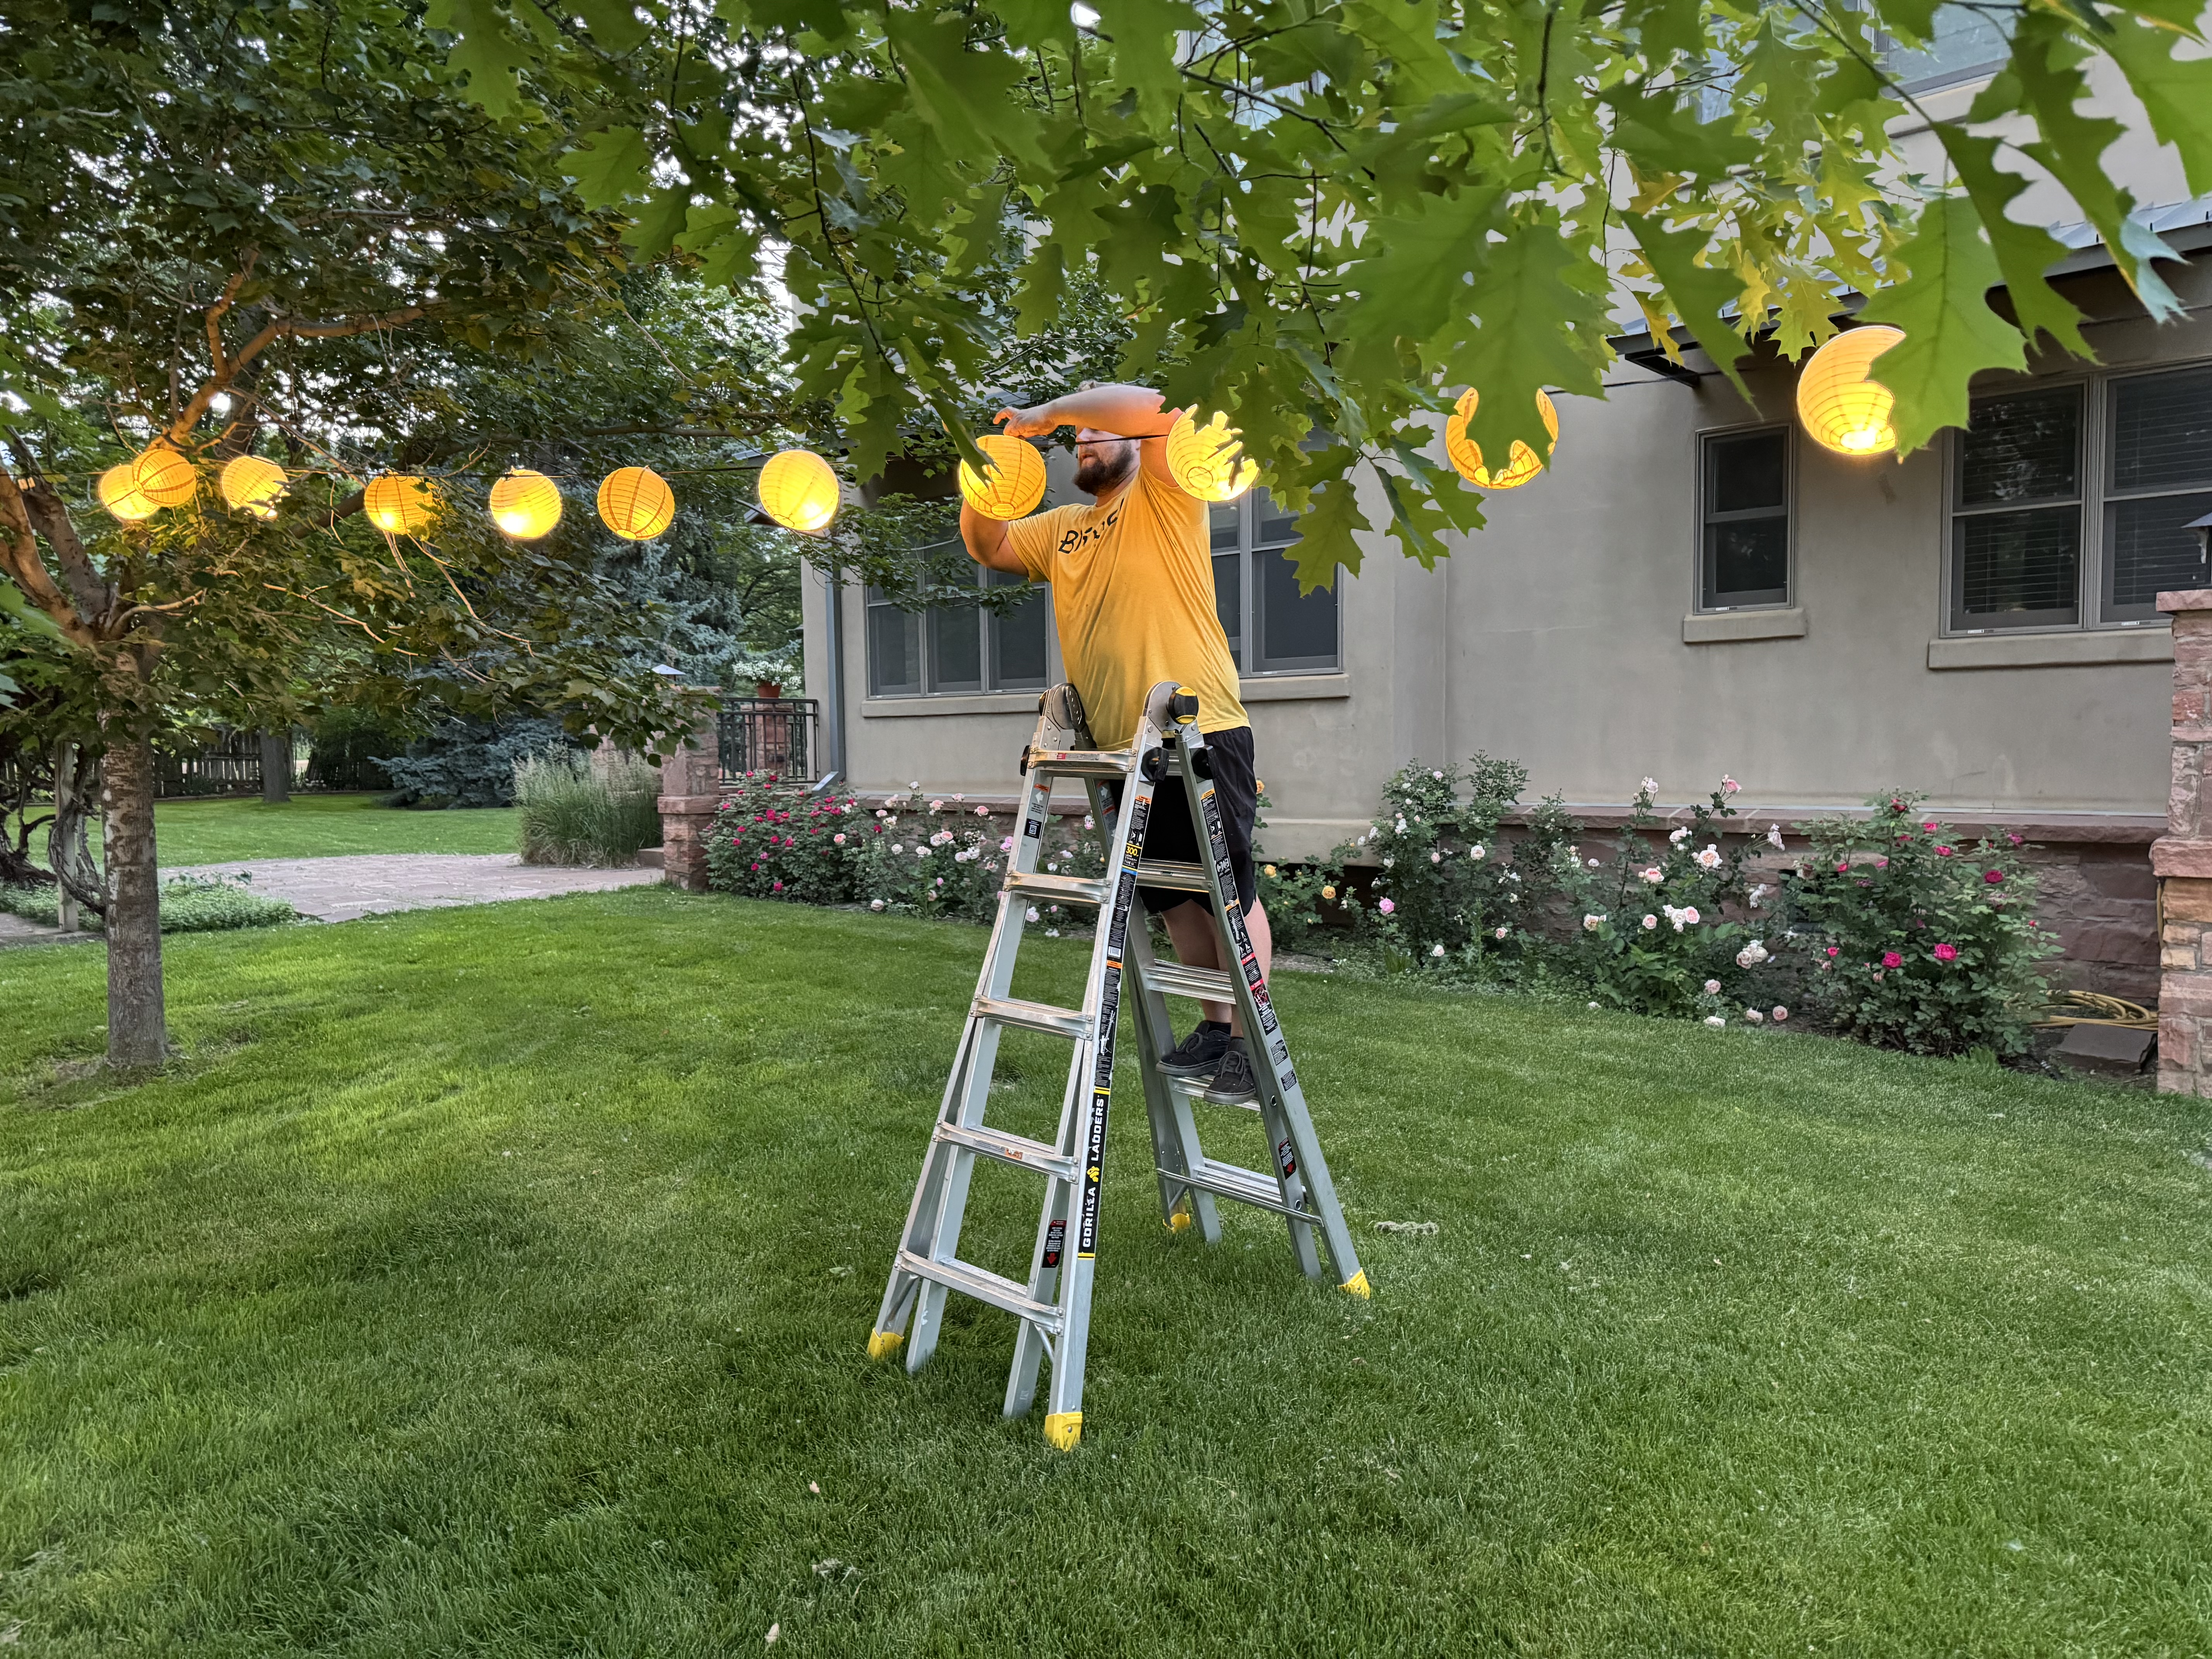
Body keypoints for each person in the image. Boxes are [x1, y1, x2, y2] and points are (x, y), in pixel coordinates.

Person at [960, 381, 1267, 1105]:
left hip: (1198, 727)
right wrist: (990, 475)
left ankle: (1252, 1045)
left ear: (1137, 446)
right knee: (1174, 899)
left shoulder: (1166, 492)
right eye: (1079, 439)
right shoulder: (1063, 527)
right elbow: (989, 544)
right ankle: (1216, 1029)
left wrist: (1049, 414)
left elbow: (1159, 408)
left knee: (1227, 893)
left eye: (1099, 431)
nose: (1085, 441)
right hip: (1122, 748)